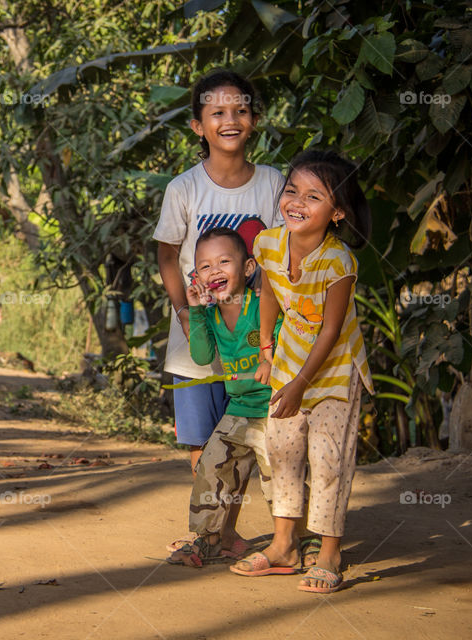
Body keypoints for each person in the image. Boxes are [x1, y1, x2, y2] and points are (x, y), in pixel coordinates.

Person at [230, 150, 373, 594]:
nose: (297, 201)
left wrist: (300, 384)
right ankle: (284, 545)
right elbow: (269, 296)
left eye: (314, 196)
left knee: (328, 462)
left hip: (333, 374)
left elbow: (331, 331)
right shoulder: (268, 244)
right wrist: (268, 353)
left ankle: (329, 552)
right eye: (292, 190)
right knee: (284, 454)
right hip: (287, 364)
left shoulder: (339, 262)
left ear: (337, 213)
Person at [152, 69, 284, 550]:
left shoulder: (272, 184)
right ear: (198, 126)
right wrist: (185, 313)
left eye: (241, 110)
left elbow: (278, 256)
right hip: (197, 336)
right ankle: (212, 529)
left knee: (246, 434)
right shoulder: (183, 188)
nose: (231, 120)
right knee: (200, 440)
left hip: (253, 339)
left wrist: (269, 328)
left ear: (255, 120)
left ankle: (226, 532)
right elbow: (168, 253)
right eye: (217, 113)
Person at [167, 228, 282, 566]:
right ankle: (209, 539)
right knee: (211, 467)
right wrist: (196, 310)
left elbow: (281, 342)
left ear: (248, 268)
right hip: (239, 409)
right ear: (196, 277)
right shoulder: (212, 314)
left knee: (280, 479)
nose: (214, 270)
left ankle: (296, 541)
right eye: (204, 266)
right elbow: (202, 356)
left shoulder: (262, 303)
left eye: (223, 261)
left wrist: (268, 358)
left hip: (275, 409)